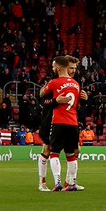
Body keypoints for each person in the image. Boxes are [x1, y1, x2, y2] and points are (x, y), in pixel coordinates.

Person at [40, 55, 87, 192]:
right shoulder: (76, 84)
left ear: (59, 67)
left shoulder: (54, 82)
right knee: (71, 154)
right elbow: (77, 106)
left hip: (59, 122)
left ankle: (58, 182)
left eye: (54, 66)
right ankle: (71, 183)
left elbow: (41, 94)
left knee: (54, 153)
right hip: (73, 123)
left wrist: (53, 96)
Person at [36, 74, 59, 192]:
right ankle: (42, 182)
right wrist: (56, 101)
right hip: (50, 122)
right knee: (47, 149)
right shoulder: (47, 91)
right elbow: (44, 101)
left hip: (64, 122)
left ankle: (70, 182)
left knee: (74, 149)